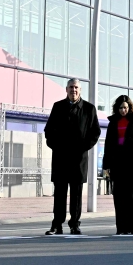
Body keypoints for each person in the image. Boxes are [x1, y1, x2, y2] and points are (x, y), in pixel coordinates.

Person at [44, 78, 100, 235]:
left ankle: (75, 223)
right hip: (61, 158)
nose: (73, 90)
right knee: (60, 193)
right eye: (70, 87)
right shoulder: (58, 107)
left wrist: (83, 147)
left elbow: (95, 132)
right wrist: (57, 146)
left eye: (76, 87)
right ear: (66, 89)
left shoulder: (89, 109)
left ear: (80, 90)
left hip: (78, 159)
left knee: (76, 193)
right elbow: (48, 131)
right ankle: (57, 224)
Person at [102, 95, 133, 235]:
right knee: (119, 196)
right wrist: (107, 165)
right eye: (121, 108)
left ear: (130, 108)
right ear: (117, 108)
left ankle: (132, 226)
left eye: (126, 108)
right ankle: (121, 227)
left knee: (132, 196)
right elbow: (108, 144)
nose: (124, 110)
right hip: (117, 163)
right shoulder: (113, 122)